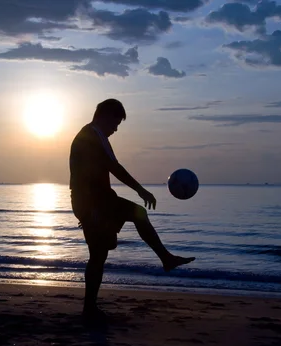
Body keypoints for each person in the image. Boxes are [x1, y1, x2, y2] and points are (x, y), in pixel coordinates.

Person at [69, 99, 195, 320]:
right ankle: (166, 259)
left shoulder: (87, 135)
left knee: (100, 252)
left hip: (95, 200)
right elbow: (114, 168)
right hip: (95, 202)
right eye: (115, 123)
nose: (116, 129)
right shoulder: (93, 134)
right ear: (104, 116)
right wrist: (140, 190)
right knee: (133, 219)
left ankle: (89, 309)